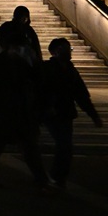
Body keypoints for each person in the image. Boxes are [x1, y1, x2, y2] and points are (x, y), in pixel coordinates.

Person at [0, 36, 49, 189]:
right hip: (4, 111)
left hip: (21, 111)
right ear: (9, 48)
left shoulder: (25, 64)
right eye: (17, 48)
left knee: (29, 147)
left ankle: (41, 180)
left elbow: (38, 85)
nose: (21, 51)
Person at [41, 37, 102, 188]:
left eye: (70, 49)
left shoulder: (71, 71)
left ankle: (57, 177)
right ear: (55, 52)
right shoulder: (47, 69)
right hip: (52, 113)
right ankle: (55, 176)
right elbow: (39, 91)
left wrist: (93, 115)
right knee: (64, 145)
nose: (69, 52)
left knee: (65, 145)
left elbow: (81, 95)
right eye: (65, 49)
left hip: (65, 112)